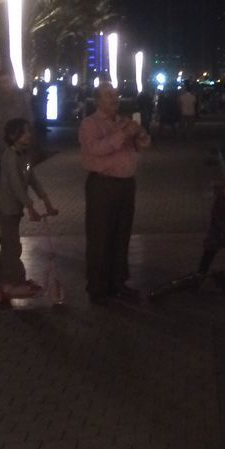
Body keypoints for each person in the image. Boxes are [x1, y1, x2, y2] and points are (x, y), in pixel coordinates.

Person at [80, 83, 151, 303]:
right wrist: (122, 134)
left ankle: (118, 281)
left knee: (122, 235)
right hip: (103, 184)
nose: (115, 99)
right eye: (109, 95)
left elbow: (143, 145)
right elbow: (96, 149)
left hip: (126, 184)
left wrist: (140, 135)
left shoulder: (123, 121)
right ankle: (97, 285)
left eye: (115, 95)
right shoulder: (89, 124)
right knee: (100, 235)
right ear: (98, 100)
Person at [0, 117, 59, 304]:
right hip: (5, 209)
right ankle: (12, 282)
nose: (29, 134)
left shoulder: (24, 156)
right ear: (13, 135)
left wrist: (46, 200)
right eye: (25, 131)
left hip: (14, 209)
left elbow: (30, 176)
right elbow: (16, 185)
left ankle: (13, 280)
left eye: (29, 131)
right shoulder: (9, 157)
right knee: (12, 246)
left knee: (11, 245)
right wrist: (30, 207)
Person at [149, 177, 225, 299]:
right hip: (216, 236)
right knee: (207, 259)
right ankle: (198, 280)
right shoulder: (220, 201)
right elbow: (217, 219)